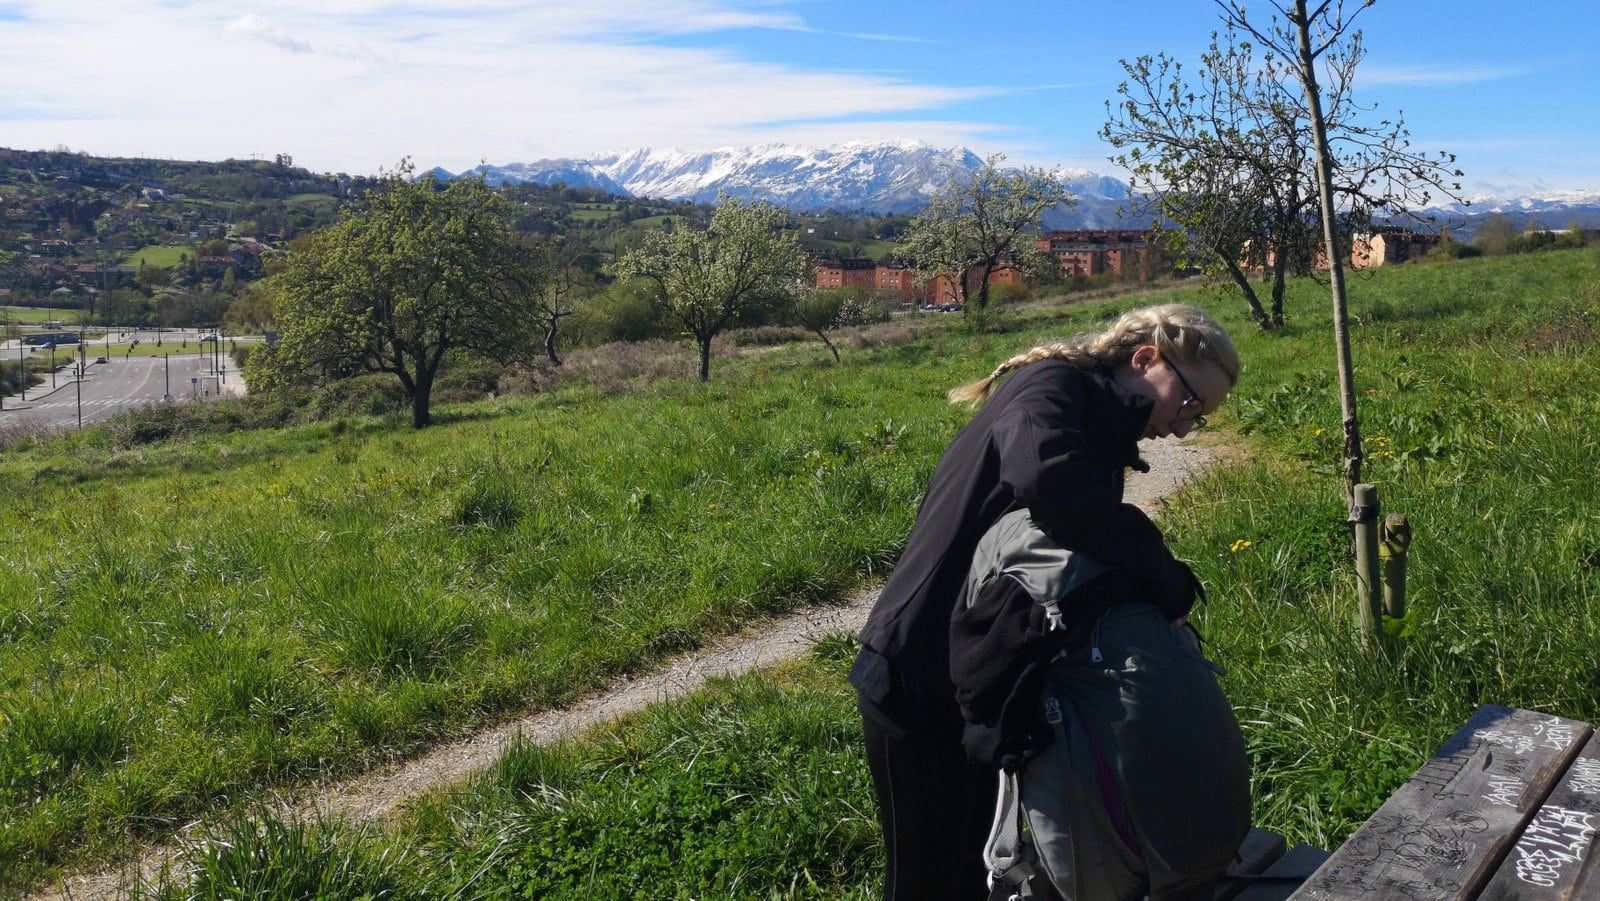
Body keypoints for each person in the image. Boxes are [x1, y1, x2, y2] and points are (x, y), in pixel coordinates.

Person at [850, 303, 1240, 899]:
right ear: (1144, 360)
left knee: (976, 876)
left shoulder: (1098, 425)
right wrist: (1162, 571)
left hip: (975, 679)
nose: (1186, 429)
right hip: (914, 676)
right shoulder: (1050, 387)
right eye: (1190, 405)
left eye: (1201, 419)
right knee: (925, 882)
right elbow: (1053, 487)